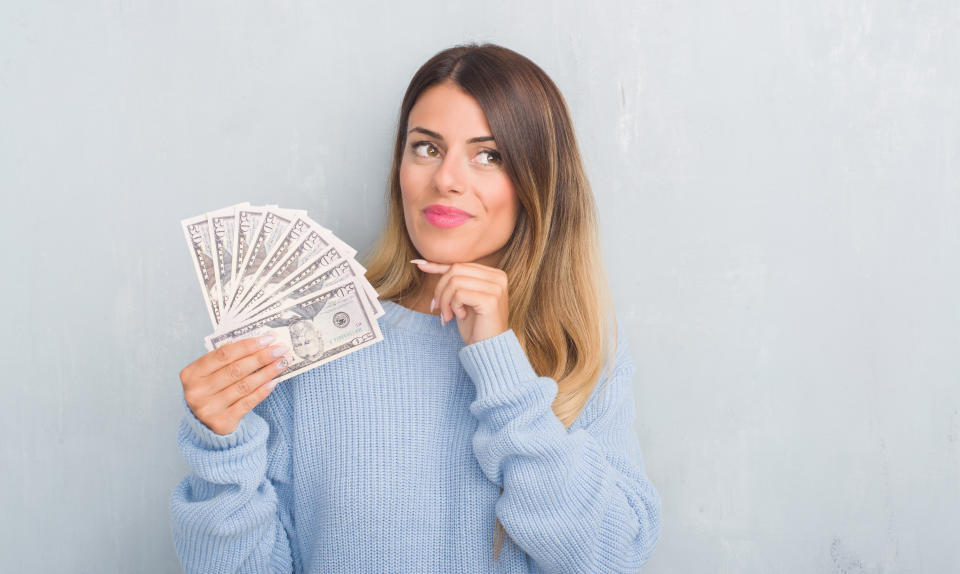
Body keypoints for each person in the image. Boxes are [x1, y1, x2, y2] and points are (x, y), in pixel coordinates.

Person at [171, 42, 661, 573]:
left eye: (488, 155)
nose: (446, 178)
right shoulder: (314, 337)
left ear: (536, 184)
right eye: (426, 147)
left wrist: (502, 368)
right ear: (399, 167)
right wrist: (222, 452)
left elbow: (612, 558)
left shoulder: (580, 346)